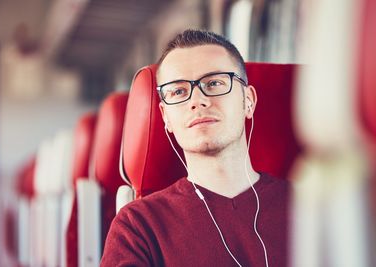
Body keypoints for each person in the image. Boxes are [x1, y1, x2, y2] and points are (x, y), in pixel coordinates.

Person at [100, 29, 290, 267]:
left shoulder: (309, 207)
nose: (197, 100)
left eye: (214, 83)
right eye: (178, 91)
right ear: (165, 117)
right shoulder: (138, 226)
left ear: (248, 101)